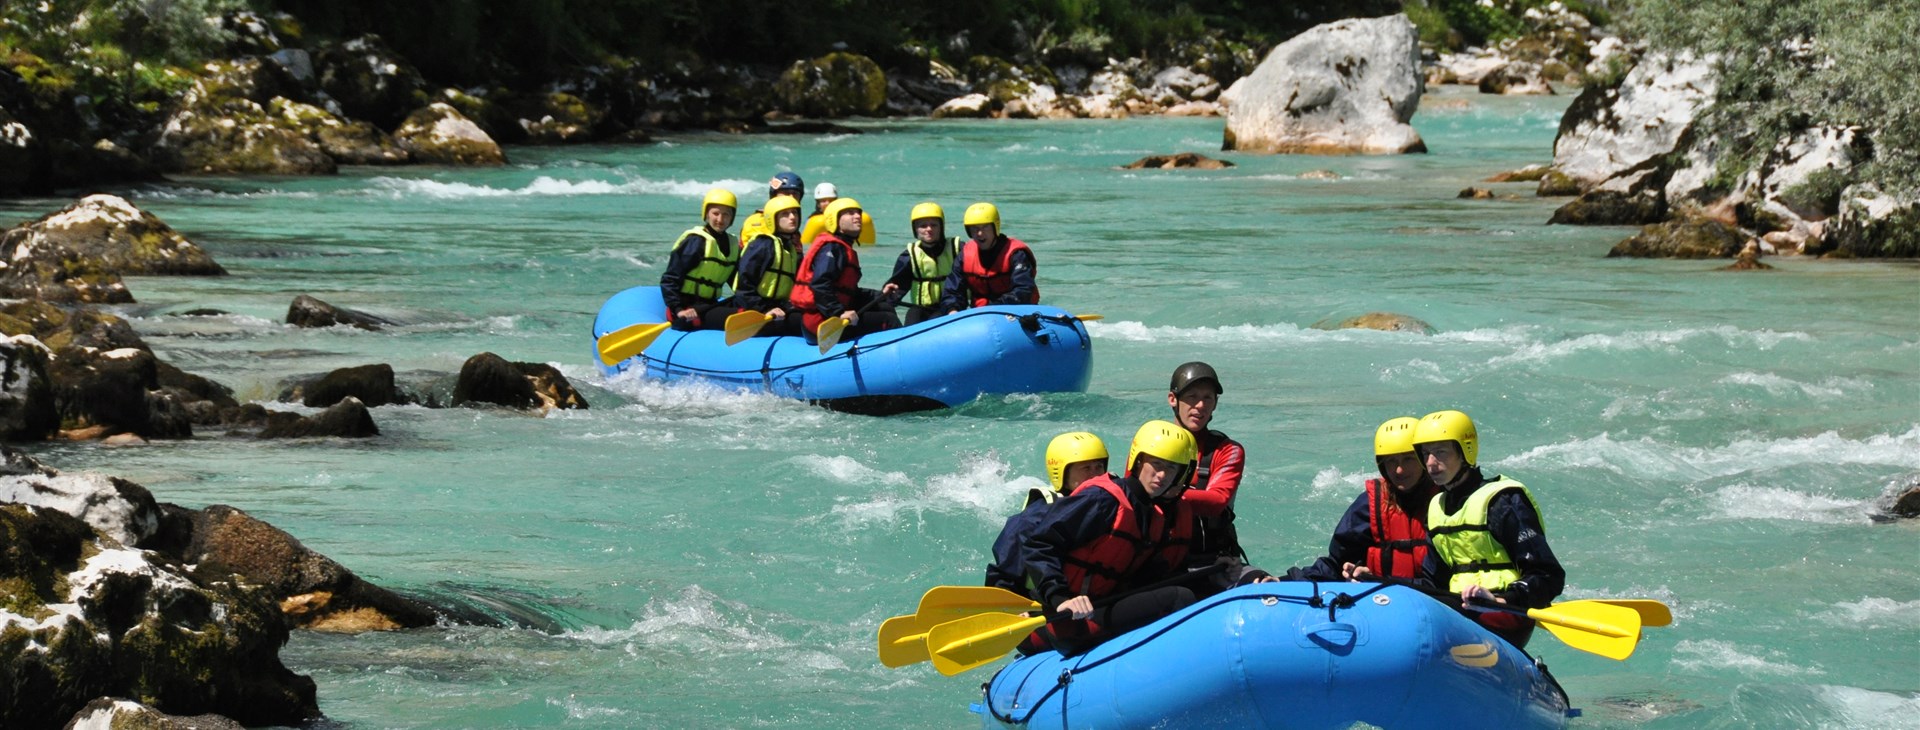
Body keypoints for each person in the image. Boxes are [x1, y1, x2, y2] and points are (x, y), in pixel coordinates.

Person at [1017, 420, 1200, 655]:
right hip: (1070, 619)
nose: (1162, 475)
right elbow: (1039, 544)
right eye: (1156, 464)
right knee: (1178, 599)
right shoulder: (1103, 500)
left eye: (1172, 468)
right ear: (1138, 461)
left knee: (1183, 590)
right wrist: (1060, 598)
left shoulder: (1152, 515)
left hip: (1100, 608)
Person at [1413, 409, 1565, 649]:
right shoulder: (1437, 507)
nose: (1431, 463)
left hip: (1502, 614)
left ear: (1465, 452)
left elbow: (1548, 576)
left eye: (1441, 452)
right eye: (1426, 454)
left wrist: (1501, 599)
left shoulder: (1503, 501)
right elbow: (1433, 583)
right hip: (1457, 614)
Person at [1291, 416, 1441, 582]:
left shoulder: (1448, 501)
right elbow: (1335, 565)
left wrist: (1377, 580)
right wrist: (1284, 580)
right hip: (1385, 600)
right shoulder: (1369, 506)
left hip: (1438, 599)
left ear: (1424, 459)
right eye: (1391, 461)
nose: (1399, 470)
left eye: (1408, 459)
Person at [1164, 362, 1268, 594]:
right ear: (1173, 399)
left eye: (1208, 398)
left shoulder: (1228, 450)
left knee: (1265, 586)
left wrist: (1165, 494)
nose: (1200, 406)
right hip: (1162, 562)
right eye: (1192, 397)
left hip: (1217, 563)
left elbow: (1217, 501)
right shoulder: (1150, 443)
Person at [984, 432, 1110, 596]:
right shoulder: (1037, 515)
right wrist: (1011, 605)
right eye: (1086, 468)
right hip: (1041, 599)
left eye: (1099, 467)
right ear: (1062, 473)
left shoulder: (1109, 503)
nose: (1095, 475)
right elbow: (1004, 572)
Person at [790, 197, 899, 343]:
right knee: (888, 319)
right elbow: (820, 285)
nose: (857, 217)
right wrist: (839, 313)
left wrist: (880, 295)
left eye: (858, 213)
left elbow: (847, 291)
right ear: (835, 220)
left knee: (885, 306)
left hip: (829, 317)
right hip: (820, 324)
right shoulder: (832, 248)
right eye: (850, 213)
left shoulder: (842, 246)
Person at [659, 187, 741, 331]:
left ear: (732, 218)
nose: (720, 219)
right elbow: (670, 279)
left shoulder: (732, 244)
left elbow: (738, 283)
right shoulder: (696, 241)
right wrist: (678, 309)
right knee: (738, 315)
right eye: (715, 213)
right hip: (687, 310)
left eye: (726, 214)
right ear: (706, 214)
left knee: (746, 307)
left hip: (709, 305)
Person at [730, 194, 806, 337]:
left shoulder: (790, 249)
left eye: (795, 213)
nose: (792, 217)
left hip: (778, 307)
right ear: (773, 219)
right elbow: (744, 288)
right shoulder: (763, 245)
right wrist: (764, 309)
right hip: (754, 308)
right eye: (785, 214)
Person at [943, 202, 1038, 309]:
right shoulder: (965, 256)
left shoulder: (1016, 254)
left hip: (1015, 312)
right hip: (979, 314)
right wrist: (952, 309)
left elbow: (1023, 290)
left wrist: (993, 307)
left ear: (995, 227)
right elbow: (952, 291)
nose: (980, 233)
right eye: (974, 228)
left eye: (985, 227)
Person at [889, 202, 963, 325]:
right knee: (912, 318)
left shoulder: (958, 249)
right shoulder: (909, 256)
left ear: (941, 227)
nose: (929, 229)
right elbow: (897, 289)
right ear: (915, 229)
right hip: (921, 308)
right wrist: (888, 299)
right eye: (923, 226)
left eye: (934, 225)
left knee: (935, 319)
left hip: (949, 307)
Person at [735, 172, 804, 247]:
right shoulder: (757, 222)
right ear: (774, 195)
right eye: (786, 193)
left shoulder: (792, 226)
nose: (791, 198)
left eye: (795, 194)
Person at [801, 182, 875, 246]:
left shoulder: (846, 218)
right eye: (823, 201)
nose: (828, 203)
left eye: (831, 200)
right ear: (818, 204)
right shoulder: (812, 221)